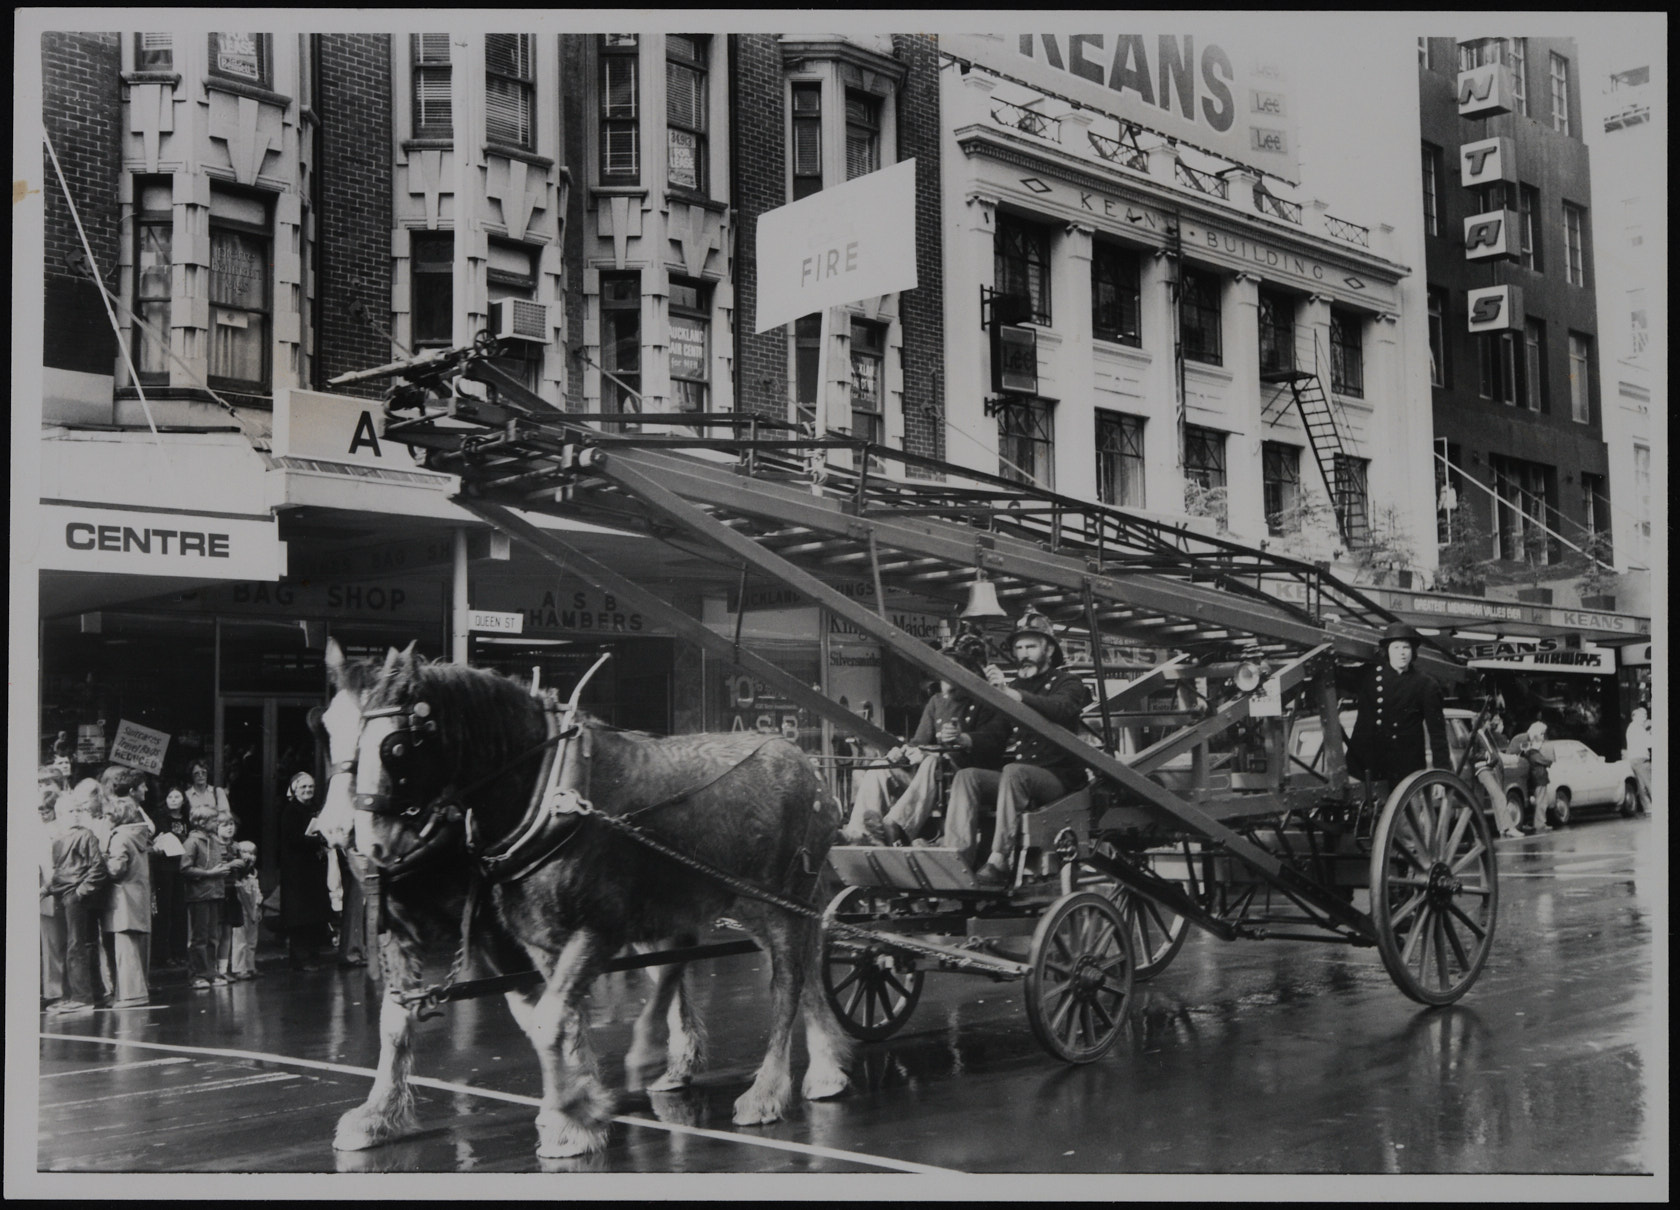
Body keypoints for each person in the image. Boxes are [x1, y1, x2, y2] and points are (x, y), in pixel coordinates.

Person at [937, 607, 1093, 886]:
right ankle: (957, 857)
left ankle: (1000, 859)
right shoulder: (1016, 685)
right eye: (1019, 647)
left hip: (1057, 778)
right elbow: (997, 734)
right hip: (1020, 778)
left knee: (1014, 771)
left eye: (1031, 646)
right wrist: (965, 739)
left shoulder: (1068, 682)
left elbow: (1061, 709)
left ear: (1048, 650)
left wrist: (1012, 694)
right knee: (967, 776)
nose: (1024, 653)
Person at [840, 634, 1009, 847]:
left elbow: (994, 741)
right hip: (928, 782)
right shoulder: (936, 702)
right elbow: (918, 741)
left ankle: (897, 825)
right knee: (880, 766)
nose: (946, 677)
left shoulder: (989, 702)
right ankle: (859, 833)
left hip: (960, 778)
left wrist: (962, 739)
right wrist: (901, 753)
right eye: (943, 671)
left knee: (933, 760)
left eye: (953, 670)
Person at [1346, 621, 1451, 792]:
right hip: (1365, 767)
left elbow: (1437, 734)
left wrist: (1442, 775)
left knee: (1405, 818)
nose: (1401, 653)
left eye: (1406, 647)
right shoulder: (1368, 676)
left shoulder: (1426, 685)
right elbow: (1335, 676)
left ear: (1413, 651)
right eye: (1396, 647)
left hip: (1405, 771)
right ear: (1387, 650)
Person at [47, 787, 111, 1015]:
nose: (75, 814)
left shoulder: (85, 835)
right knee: (81, 945)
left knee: (76, 946)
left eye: (78, 810)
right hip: (67, 895)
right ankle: (92, 993)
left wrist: (80, 892)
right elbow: (60, 872)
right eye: (69, 810)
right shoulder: (60, 840)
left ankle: (81, 997)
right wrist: (48, 889)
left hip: (74, 897)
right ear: (60, 814)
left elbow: (98, 868)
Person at [102, 791, 156, 1008]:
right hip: (139, 895)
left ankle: (130, 995)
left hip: (122, 898)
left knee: (125, 948)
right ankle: (139, 990)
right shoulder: (139, 835)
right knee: (137, 945)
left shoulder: (120, 838)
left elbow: (116, 868)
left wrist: (103, 860)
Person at [279, 772, 333, 971]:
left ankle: (312, 955)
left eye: (310, 787)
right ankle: (301, 958)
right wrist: (317, 840)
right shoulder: (291, 811)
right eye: (303, 787)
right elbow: (293, 839)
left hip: (314, 867)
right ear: (294, 789)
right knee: (299, 915)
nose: (308, 790)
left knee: (314, 914)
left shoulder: (314, 808)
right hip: (297, 871)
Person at [180, 802, 232, 990]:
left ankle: (210, 971)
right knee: (199, 937)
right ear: (201, 822)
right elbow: (185, 868)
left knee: (212, 936)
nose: (216, 823)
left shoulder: (214, 841)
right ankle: (197, 974)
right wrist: (210, 873)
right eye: (212, 820)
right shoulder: (192, 842)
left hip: (215, 893)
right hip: (199, 895)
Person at [149, 787, 191, 969]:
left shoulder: (188, 819)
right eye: (170, 796)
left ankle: (179, 952)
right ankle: (162, 954)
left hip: (182, 868)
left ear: (183, 800)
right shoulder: (159, 818)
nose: (174, 800)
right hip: (165, 869)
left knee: (180, 911)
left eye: (177, 796)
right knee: (164, 911)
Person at [39, 768, 69, 1010]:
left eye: (47, 783)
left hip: (63, 886)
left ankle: (66, 990)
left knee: (70, 939)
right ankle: (54, 990)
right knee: (51, 941)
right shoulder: (36, 819)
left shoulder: (67, 818)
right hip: (43, 888)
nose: (43, 788)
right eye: (40, 784)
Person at [1509, 721, 1556, 834]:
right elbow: (1531, 755)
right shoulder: (1525, 741)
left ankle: (1530, 822)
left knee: (1533, 800)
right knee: (1539, 800)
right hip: (1521, 772)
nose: (1542, 736)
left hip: (1527, 773)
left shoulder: (1528, 742)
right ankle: (1539, 823)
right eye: (1541, 733)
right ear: (1536, 733)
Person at [227, 840, 263, 981]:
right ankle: (239, 968)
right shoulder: (238, 875)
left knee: (252, 940)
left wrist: (258, 907)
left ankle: (250, 966)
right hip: (241, 910)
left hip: (253, 909)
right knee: (240, 940)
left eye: (253, 853)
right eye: (245, 853)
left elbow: (257, 892)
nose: (249, 857)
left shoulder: (254, 874)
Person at [1625, 706, 1652, 814]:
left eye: (1645, 715)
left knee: (1641, 785)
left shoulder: (1631, 728)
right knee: (1650, 782)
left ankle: (1648, 807)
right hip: (1641, 759)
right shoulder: (1639, 729)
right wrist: (1651, 732)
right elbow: (1649, 743)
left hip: (1633, 759)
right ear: (1635, 717)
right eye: (1642, 716)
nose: (1644, 718)